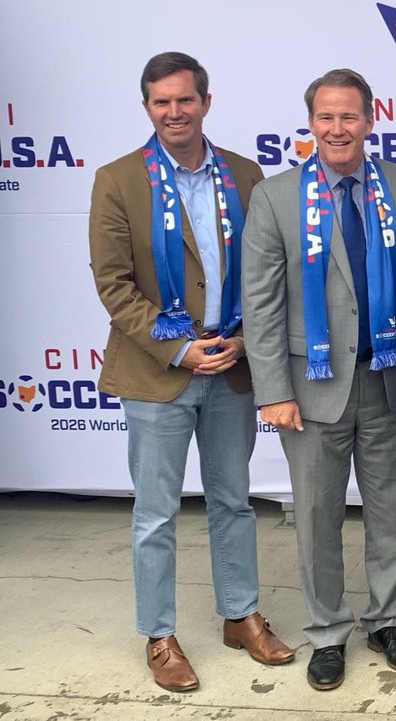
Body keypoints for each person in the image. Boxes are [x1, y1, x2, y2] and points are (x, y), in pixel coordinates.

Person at [88, 52, 293, 692]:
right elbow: (114, 285)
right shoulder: (118, 180)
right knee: (155, 513)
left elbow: (265, 275)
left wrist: (241, 341)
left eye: (185, 100)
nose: (174, 112)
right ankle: (160, 634)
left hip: (232, 368)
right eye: (161, 102)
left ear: (206, 101)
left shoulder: (245, 174)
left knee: (234, 501)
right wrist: (178, 349)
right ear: (147, 107)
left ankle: (241, 615)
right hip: (159, 373)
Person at [241, 68, 396, 691]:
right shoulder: (274, 197)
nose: (337, 128)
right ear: (311, 123)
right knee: (318, 517)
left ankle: (387, 620)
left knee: (391, 513)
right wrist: (272, 390)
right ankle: (326, 632)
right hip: (311, 387)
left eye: (349, 116)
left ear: (371, 120)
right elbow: (262, 304)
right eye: (326, 117)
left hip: (388, 380)